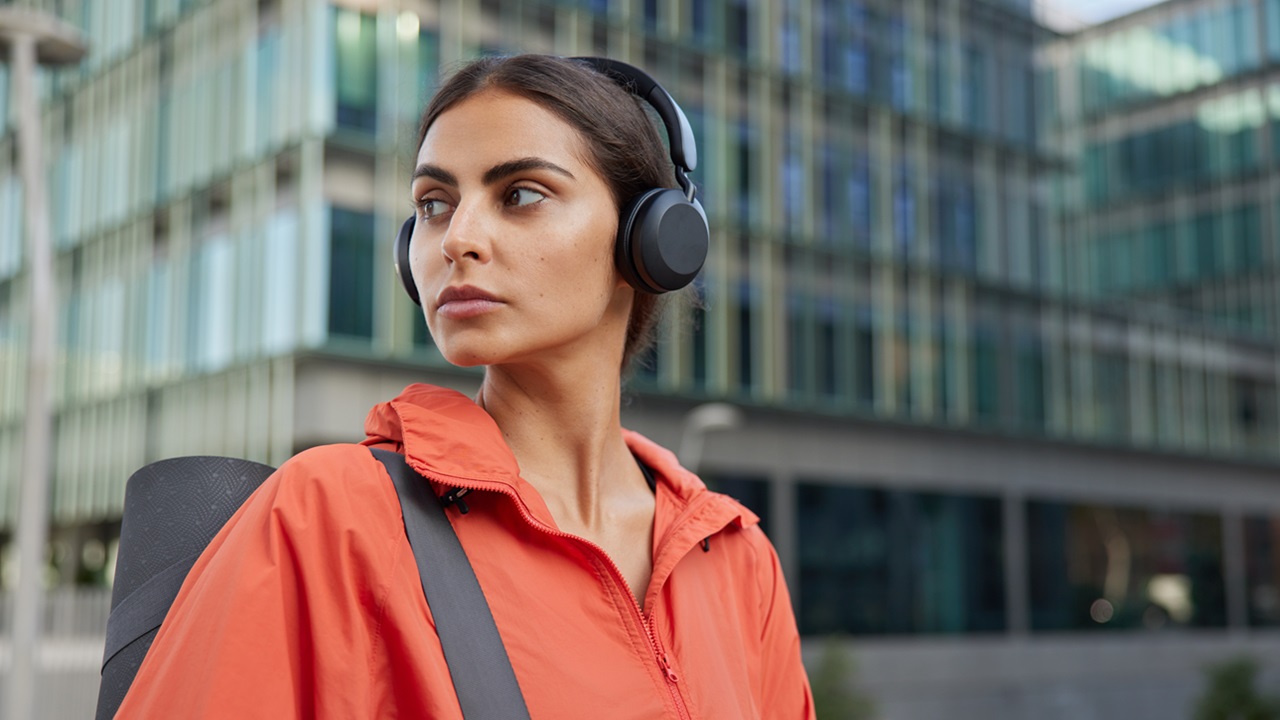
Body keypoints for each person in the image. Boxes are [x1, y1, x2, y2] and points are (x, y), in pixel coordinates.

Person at [116, 54, 814, 719]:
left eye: (521, 194)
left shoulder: (736, 556)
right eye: (433, 203)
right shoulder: (333, 513)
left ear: (651, 240)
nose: (457, 237)